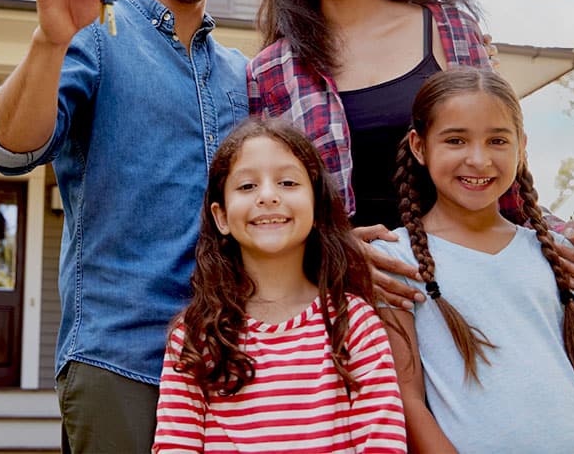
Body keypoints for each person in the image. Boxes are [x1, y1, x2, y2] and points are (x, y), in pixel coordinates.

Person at [247, 0, 574, 308]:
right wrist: (334, 253)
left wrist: (564, 245)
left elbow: (502, 168)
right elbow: (268, 205)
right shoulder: (271, 71)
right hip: (352, 302)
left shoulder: (451, 27)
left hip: (470, 287)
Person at [0, 0, 249, 453]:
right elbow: (12, 148)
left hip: (232, 360)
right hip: (122, 359)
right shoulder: (97, 36)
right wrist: (49, 41)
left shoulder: (239, 72)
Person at [372, 67, 574, 453]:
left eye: (497, 140)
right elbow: (407, 403)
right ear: (419, 146)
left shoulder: (556, 253)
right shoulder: (396, 259)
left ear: (521, 147)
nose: (478, 160)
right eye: (456, 140)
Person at [152, 117, 407, 452]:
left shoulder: (354, 323)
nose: (268, 196)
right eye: (247, 187)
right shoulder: (196, 334)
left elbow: (382, 444)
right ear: (222, 216)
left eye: (287, 183)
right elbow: (176, 446)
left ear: (316, 207)